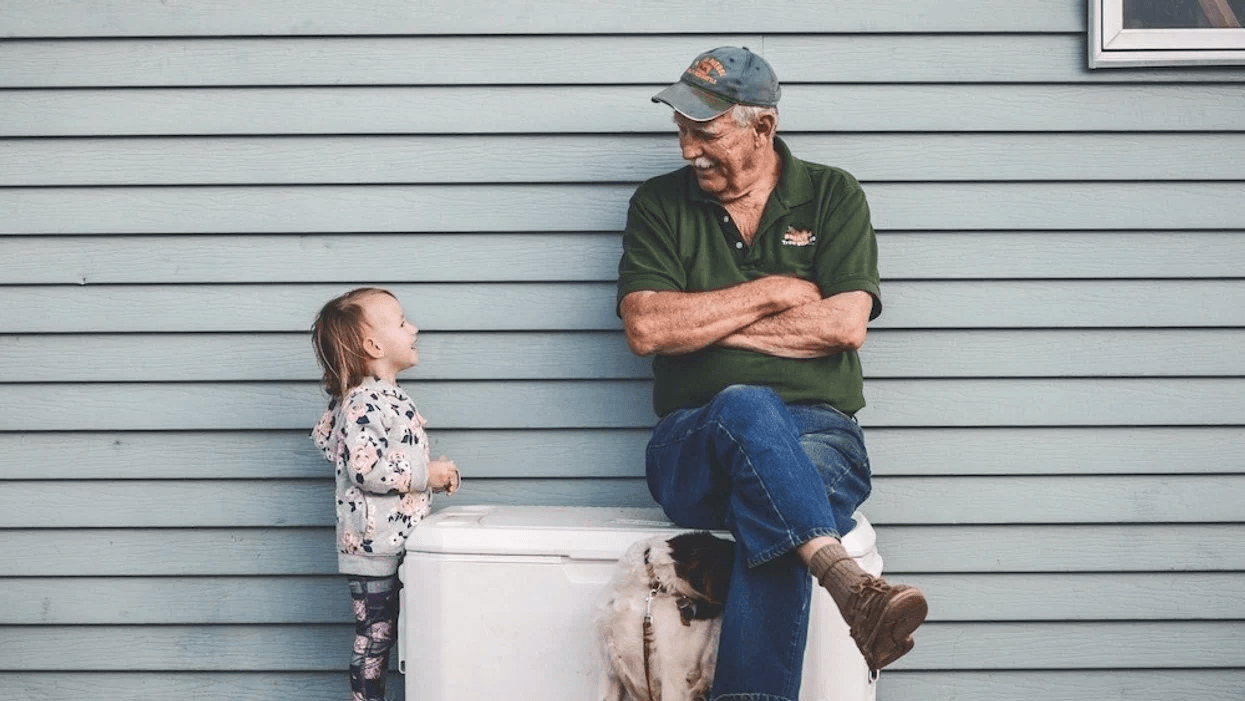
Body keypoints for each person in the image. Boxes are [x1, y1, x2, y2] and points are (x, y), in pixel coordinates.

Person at [616, 47, 927, 700]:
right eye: (680, 132)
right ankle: (847, 583)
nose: (686, 150)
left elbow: (843, 325)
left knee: (776, 512)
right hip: (691, 443)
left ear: (763, 127)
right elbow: (647, 328)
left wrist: (701, 327)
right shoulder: (658, 205)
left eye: (703, 133)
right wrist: (775, 290)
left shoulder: (831, 194)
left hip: (821, 433)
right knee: (743, 402)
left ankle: (818, 565)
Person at [310, 287, 461, 701]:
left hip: (393, 543)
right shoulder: (364, 402)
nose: (413, 328)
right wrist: (424, 475)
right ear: (374, 345)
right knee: (376, 638)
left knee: (398, 636)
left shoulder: (383, 399)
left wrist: (428, 476)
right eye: (401, 322)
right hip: (374, 551)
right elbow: (363, 468)